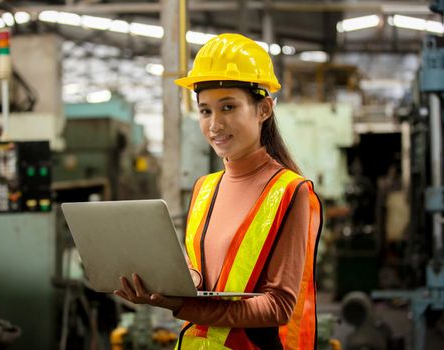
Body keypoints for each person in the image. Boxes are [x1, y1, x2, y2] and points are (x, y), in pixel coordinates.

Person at [114, 33, 322, 350]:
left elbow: (279, 306)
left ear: (264, 109)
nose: (214, 125)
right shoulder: (205, 188)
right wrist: (166, 281)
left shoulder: (290, 191)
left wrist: (179, 305)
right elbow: (205, 276)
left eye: (228, 107)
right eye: (205, 111)